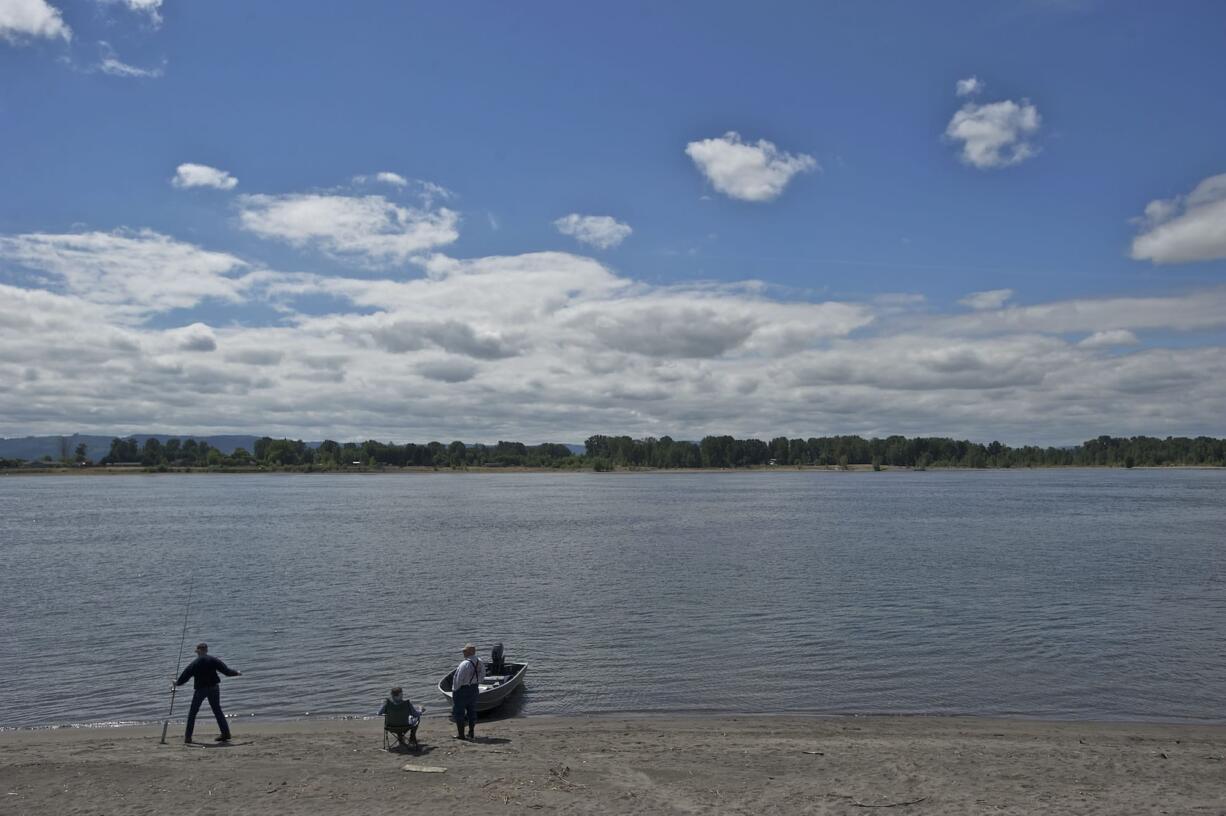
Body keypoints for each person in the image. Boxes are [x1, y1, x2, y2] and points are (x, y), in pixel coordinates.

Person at [173, 642, 241, 744]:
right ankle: (226, 734)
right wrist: (236, 673)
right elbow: (226, 671)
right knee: (217, 710)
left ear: (198, 651)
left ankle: (188, 738)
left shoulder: (195, 663)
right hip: (214, 688)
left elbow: (185, 677)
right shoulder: (213, 660)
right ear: (206, 650)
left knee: (193, 713)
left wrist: (177, 683)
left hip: (201, 690)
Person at [451, 643, 484, 740]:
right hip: (474, 689)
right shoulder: (480, 662)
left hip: (462, 690)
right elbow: (482, 676)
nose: (463, 652)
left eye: (464, 651)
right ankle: (471, 733)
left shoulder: (464, 664)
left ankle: (461, 735)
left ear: (470, 652)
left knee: (459, 712)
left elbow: (458, 679)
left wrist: (455, 690)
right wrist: (476, 683)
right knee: (472, 712)